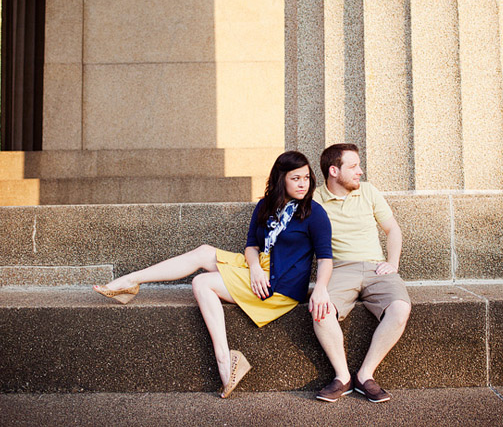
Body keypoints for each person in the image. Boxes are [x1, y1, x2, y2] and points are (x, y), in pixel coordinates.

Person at [93, 151, 334, 398]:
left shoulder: (314, 213)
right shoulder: (266, 205)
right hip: (261, 269)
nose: (303, 183)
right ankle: (132, 281)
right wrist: (254, 269)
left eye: (306, 177)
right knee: (203, 252)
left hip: (281, 286)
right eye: (296, 178)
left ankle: (225, 361)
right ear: (281, 178)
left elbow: (326, 258)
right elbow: (251, 245)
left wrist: (322, 289)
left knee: (202, 283)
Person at [312, 143, 411, 403]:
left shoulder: (368, 192)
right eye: (353, 166)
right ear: (334, 170)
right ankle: (342, 376)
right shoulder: (314, 199)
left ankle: (365, 375)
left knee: (400, 308)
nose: (360, 171)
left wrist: (393, 263)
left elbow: (393, 230)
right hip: (339, 267)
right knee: (321, 311)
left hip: (377, 266)